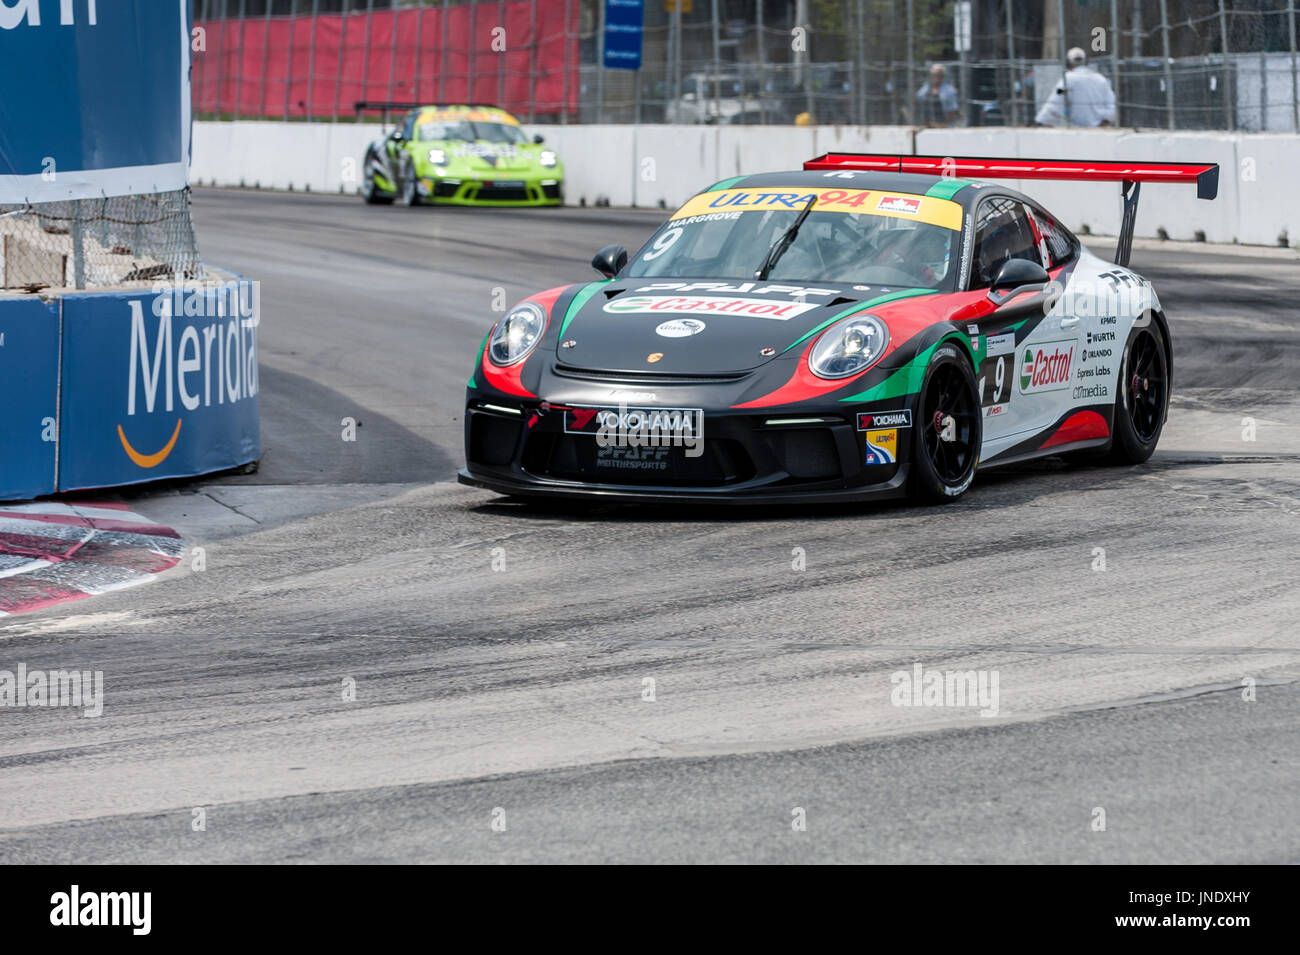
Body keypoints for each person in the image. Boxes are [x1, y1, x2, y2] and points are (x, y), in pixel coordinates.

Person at [1035, 47, 1116, 127]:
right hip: (1101, 130)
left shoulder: (1068, 80)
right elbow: (1112, 105)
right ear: (1086, 62)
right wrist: (1105, 121)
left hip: (1077, 131)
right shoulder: (1100, 79)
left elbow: (1054, 103)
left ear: (1067, 63)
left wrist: (1041, 121)